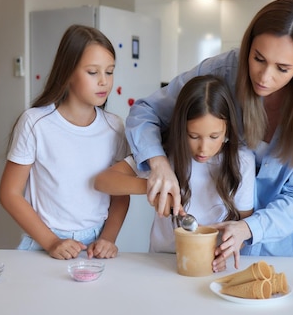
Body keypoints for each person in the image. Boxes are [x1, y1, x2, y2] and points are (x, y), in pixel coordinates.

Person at [125, 0, 293, 270]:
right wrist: (158, 165)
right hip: (234, 240)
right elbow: (145, 111)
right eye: (258, 58)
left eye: (282, 68)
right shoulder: (219, 74)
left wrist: (249, 227)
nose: (264, 76)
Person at [95, 75, 255, 272]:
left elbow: (244, 223)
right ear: (180, 128)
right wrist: (155, 187)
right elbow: (103, 181)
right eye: (193, 136)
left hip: (212, 265)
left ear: (228, 129)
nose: (203, 148)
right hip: (160, 263)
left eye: (214, 136)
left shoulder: (243, 161)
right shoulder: (163, 152)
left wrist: (225, 253)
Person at [0, 24, 129, 260]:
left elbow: (119, 193)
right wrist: (51, 242)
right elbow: (10, 193)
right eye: (93, 72)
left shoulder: (115, 127)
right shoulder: (35, 122)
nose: (104, 81)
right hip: (42, 243)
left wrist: (107, 239)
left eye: (109, 72)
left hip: (94, 248)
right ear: (68, 72)